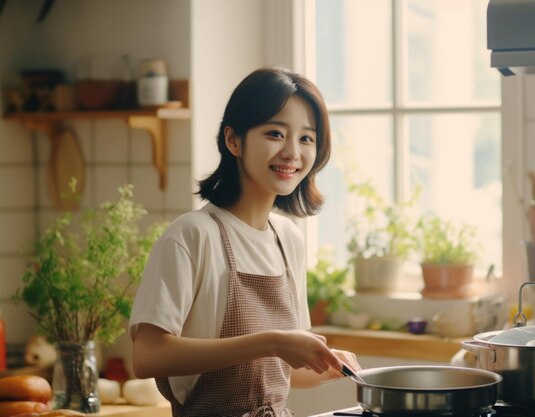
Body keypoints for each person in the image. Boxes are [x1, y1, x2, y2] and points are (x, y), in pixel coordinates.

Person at [129, 66, 361, 417]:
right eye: (275, 133)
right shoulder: (192, 235)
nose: (292, 153)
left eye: (306, 138)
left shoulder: (288, 239)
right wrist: (274, 341)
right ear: (233, 140)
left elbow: (280, 373)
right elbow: (148, 356)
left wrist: (325, 365)